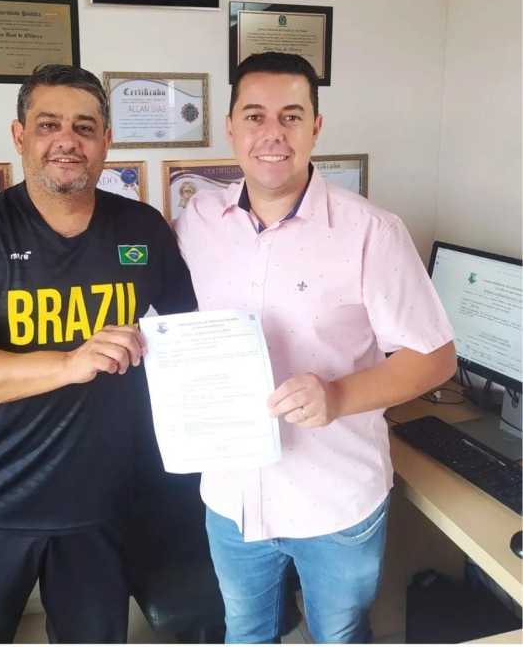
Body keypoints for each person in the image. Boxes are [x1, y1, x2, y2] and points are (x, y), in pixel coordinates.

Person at [174, 51, 457, 644]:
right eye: (255, 115)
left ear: (316, 128)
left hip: (335, 499)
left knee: (340, 635)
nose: (272, 133)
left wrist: (338, 395)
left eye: (291, 116)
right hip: (232, 496)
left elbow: (434, 357)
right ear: (230, 127)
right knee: (245, 633)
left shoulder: (372, 232)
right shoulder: (197, 221)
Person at [0, 63, 197, 643]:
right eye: (48, 125)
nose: (67, 140)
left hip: (101, 509)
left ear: (106, 140)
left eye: (84, 127)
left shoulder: (143, 229)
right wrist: (69, 363)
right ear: (20, 135)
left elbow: (190, 337)